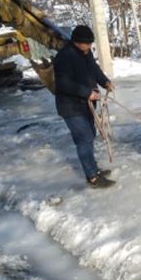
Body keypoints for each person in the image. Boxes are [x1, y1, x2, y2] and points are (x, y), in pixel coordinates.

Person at [54, 25, 116, 188]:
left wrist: (105, 82)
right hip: (71, 107)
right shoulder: (64, 57)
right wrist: (86, 92)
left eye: (90, 43)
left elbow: (94, 70)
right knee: (84, 139)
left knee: (90, 135)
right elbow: (62, 83)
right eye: (86, 44)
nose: (89, 47)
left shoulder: (85, 53)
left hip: (85, 105)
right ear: (76, 42)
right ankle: (92, 177)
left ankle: (92, 168)